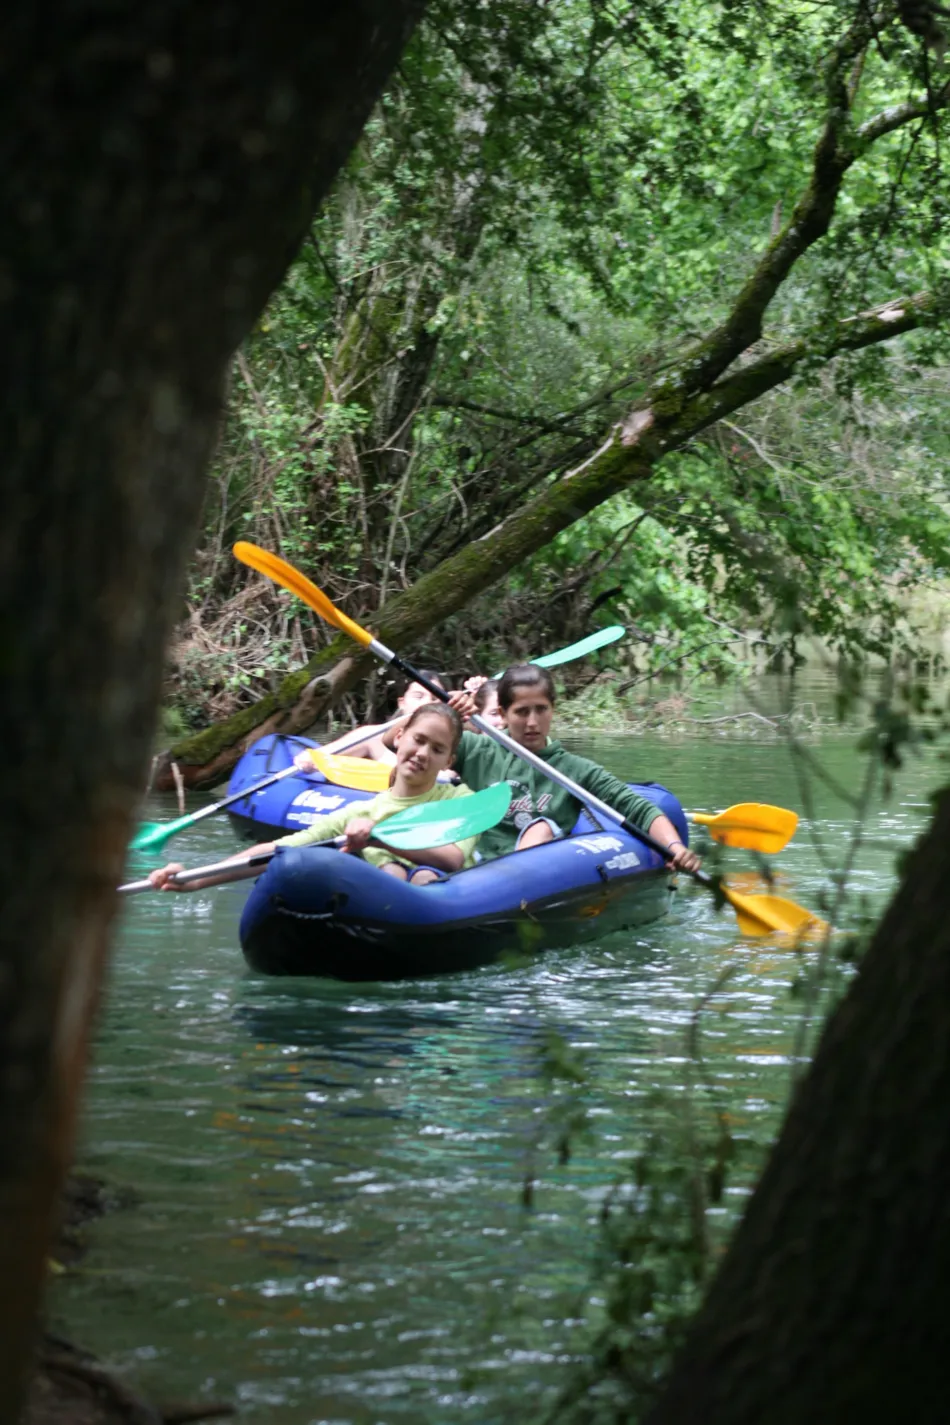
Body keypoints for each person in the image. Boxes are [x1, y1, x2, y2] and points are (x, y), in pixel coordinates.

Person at [148, 703, 478, 891]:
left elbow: (453, 859)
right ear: (400, 737)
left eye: (437, 750)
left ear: (448, 762)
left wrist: (379, 838)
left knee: (421, 877)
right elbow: (278, 849)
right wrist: (195, 880)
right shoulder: (362, 810)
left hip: (434, 893)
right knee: (388, 874)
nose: (422, 754)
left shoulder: (460, 798)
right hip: (385, 898)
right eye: (418, 740)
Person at [452, 664, 701, 870]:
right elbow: (416, 743)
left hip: (532, 873)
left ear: (553, 710)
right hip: (471, 863)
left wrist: (675, 848)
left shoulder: (574, 769)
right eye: (521, 712)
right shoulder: (475, 749)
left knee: (542, 827)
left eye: (541, 710)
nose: (532, 722)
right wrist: (448, 714)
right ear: (503, 714)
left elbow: (638, 809)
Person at [307, 670, 468, 767]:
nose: (426, 703)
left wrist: (473, 697)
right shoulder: (372, 735)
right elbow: (309, 760)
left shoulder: (452, 741)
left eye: (434, 699)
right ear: (402, 702)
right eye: (418, 696)